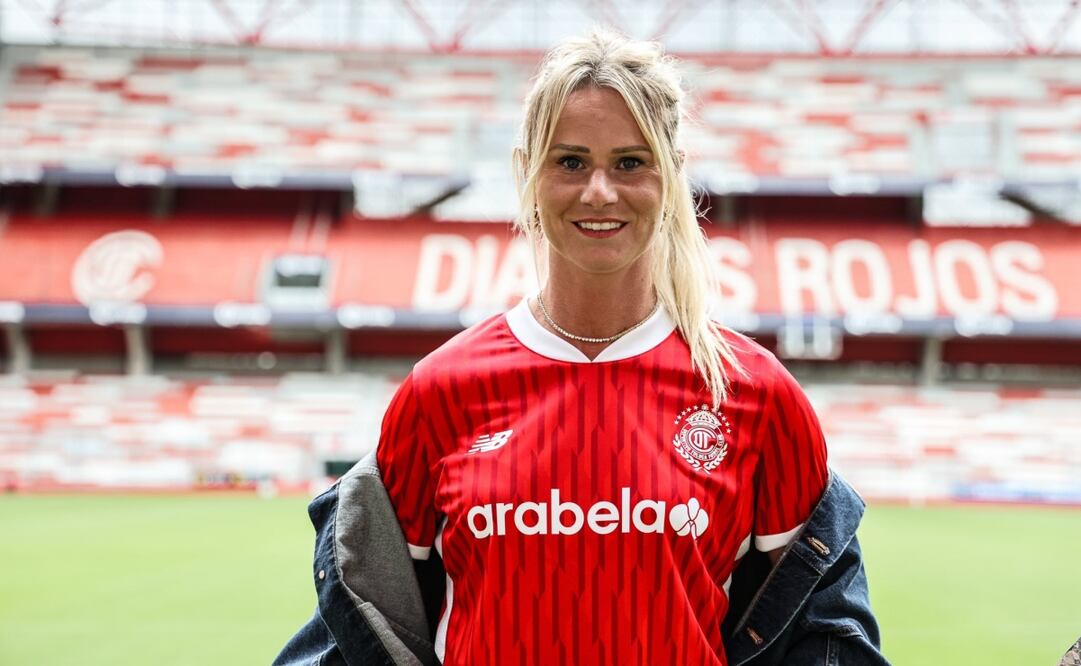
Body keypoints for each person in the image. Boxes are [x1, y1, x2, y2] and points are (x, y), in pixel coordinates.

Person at [275, 29, 886, 666]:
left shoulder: (756, 395)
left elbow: (817, 636)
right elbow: (370, 625)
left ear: (672, 175)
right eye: (570, 162)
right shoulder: (440, 392)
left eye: (630, 162)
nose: (599, 191)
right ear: (528, 174)